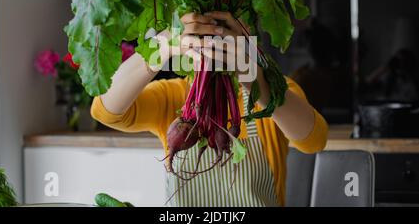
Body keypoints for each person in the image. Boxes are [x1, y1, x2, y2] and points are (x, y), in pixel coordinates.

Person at [91, 11, 328, 207]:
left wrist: (253, 77)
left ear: (246, 35)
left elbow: (314, 140)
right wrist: (162, 45)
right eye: (199, 36)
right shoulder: (173, 95)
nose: (210, 44)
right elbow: (105, 110)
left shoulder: (274, 90)